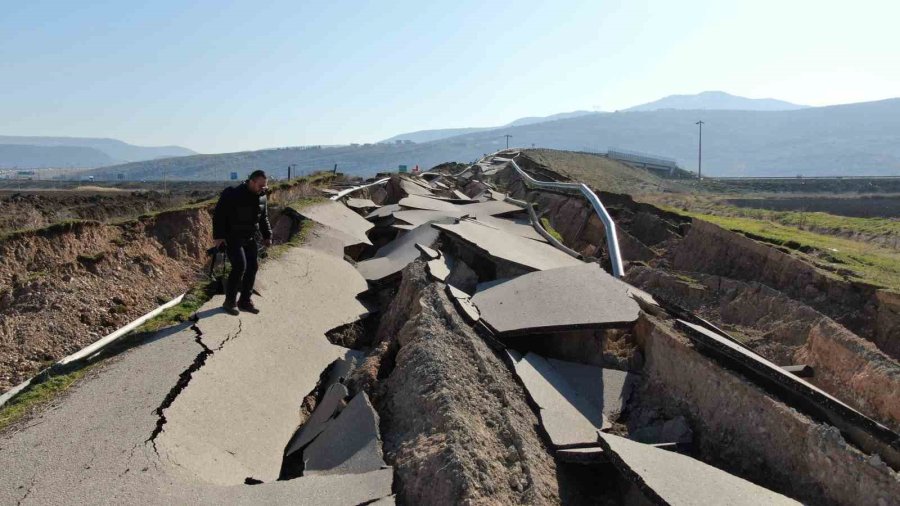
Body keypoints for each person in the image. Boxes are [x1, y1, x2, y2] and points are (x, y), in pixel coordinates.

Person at [212, 169, 272, 315]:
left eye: (265, 186)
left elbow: (263, 218)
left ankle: (245, 301)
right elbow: (219, 215)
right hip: (232, 237)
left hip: (250, 237)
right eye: (260, 185)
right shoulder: (233, 194)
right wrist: (219, 237)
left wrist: (267, 235)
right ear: (251, 182)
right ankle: (229, 302)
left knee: (253, 267)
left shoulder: (262, 197)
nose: (263, 189)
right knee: (239, 266)